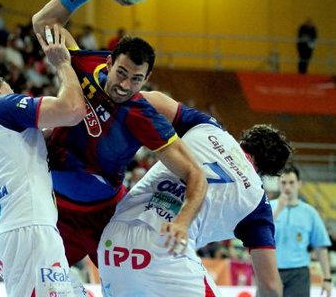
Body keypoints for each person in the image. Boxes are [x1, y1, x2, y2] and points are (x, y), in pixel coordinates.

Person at [32, 0, 207, 266]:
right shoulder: (85, 65)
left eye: (136, 79)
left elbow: (195, 175)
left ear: (147, 79)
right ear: (109, 62)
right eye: (122, 73)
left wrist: (183, 222)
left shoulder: (145, 117)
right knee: (38, 282)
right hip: (55, 208)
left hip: (105, 219)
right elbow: (43, 22)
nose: (125, 85)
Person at [98, 91, 293, 296]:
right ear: (267, 173)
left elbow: (150, 98)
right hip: (166, 248)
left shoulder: (208, 127)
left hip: (113, 243)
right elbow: (270, 284)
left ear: (243, 140)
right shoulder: (256, 200)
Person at [0, 25, 87, 297]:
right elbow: (73, 110)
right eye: (9, 87)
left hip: (19, 230)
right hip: (29, 229)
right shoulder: (0, 106)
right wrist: (63, 64)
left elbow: (57, 128)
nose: (14, 91)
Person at [271, 165, 332, 297]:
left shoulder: (310, 213)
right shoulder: (268, 208)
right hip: (271, 271)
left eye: (291, 182)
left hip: (298, 275)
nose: (287, 187)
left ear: (299, 184)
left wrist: (327, 278)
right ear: (278, 184)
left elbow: (321, 246)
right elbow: (260, 234)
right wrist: (278, 210)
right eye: (284, 182)